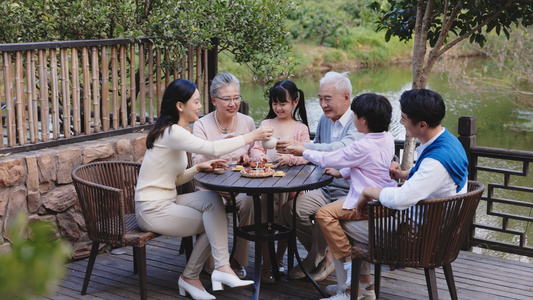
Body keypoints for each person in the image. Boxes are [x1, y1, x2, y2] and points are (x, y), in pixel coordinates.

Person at [135, 79, 274, 300]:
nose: (200, 106)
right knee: (214, 222)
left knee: (211, 201)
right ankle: (192, 276)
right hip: (151, 208)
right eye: (196, 102)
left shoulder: (177, 131)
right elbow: (212, 147)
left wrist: (198, 167)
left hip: (167, 199)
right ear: (180, 106)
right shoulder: (173, 132)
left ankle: (220, 268)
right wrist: (251, 137)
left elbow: (176, 178)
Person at [327, 88, 469, 300]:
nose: (401, 123)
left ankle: (350, 292)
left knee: (339, 223)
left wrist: (368, 191)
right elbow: (431, 178)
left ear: (422, 125)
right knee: (352, 218)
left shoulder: (436, 160)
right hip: (437, 232)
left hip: (419, 239)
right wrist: (403, 174)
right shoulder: (449, 142)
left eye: (404, 119)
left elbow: (403, 199)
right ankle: (365, 289)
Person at [287, 93, 397, 300]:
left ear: (363, 120)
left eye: (355, 115)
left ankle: (347, 270)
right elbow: (368, 166)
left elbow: (332, 157)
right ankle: (364, 290)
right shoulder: (386, 137)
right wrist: (342, 172)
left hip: (368, 203)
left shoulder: (364, 144)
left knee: (324, 215)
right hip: (382, 199)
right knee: (331, 222)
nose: (353, 119)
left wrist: (303, 150)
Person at [276, 71, 363, 282]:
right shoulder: (325, 120)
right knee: (291, 209)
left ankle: (312, 260)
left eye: (328, 99)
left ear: (346, 97)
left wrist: (301, 147)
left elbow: (340, 149)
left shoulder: (359, 122)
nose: (323, 105)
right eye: (320, 99)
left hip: (350, 191)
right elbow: (318, 155)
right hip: (325, 187)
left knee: (324, 215)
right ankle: (324, 257)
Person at [191, 73, 258, 279]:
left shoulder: (247, 122)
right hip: (211, 187)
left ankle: (238, 260)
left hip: (241, 186)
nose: (233, 103)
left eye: (236, 98)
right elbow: (196, 162)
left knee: (250, 202)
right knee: (213, 207)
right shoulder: (202, 125)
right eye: (226, 99)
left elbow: (256, 151)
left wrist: (251, 157)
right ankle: (213, 264)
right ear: (213, 101)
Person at [249, 80, 311, 283]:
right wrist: (261, 158)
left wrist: (290, 159)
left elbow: (307, 155)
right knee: (265, 220)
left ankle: (279, 258)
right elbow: (256, 148)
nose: (278, 108)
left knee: (285, 221)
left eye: (282, 103)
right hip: (266, 182)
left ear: (295, 102)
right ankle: (267, 264)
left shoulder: (300, 128)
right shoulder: (266, 124)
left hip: (291, 185)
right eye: (274, 103)